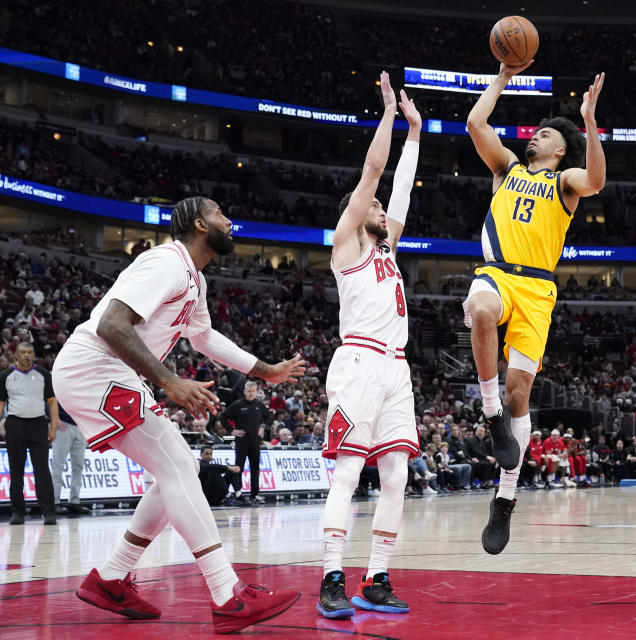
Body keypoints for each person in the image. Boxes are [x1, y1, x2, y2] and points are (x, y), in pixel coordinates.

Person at [51, 196, 304, 633]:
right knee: (176, 466)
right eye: (221, 213)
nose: (230, 219)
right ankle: (228, 595)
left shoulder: (195, 281)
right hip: (94, 366)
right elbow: (112, 325)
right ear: (199, 224)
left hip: (110, 372)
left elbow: (204, 338)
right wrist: (169, 381)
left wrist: (266, 370)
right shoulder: (166, 262)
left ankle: (111, 578)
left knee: (179, 467)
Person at [463, 60, 607, 555]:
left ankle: (505, 498)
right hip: (497, 274)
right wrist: (501, 77)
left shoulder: (565, 183)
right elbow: (476, 126)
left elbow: (597, 181)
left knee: (521, 395)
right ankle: (489, 414)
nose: (534, 138)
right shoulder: (505, 169)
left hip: (538, 292)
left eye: (543, 134)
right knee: (480, 311)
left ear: (560, 149)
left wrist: (589, 120)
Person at [317, 73, 420, 620]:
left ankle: (375, 577)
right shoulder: (348, 243)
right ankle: (331, 576)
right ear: (358, 216)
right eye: (375, 207)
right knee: (348, 473)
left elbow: (398, 187)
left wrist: (417, 135)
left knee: (397, 474)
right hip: (358, 360)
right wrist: (386, 112)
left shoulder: (388, 250)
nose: (384, 209)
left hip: (396, 369)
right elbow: (374, 174)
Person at [0, 341, 58, 525]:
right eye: (23, 352)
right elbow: (0, 404)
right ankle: (17, 512)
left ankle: (48, 512)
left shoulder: (43, 374)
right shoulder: (6, 376)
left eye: (30, 352)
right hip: (15, 425)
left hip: (38, 425)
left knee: (41, 469)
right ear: (16, 354)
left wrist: (53, 427)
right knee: (15, 470)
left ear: (34, 355)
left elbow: (52, 401)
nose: (26, 355)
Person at [219, 380, 269, 504]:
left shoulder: (259, 404)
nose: (251, 393)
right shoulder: (238, 404)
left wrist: (262, 427)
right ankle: (238, 493)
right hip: (241, 441)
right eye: (249, 391)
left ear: (256, 392)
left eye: (253, 391)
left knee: (255, 468)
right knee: (238, 468)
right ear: (244, 391)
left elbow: (267, 416)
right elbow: (223, 417)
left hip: (255, 441)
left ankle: (254, 494)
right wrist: (232, 430)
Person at [51, 406, 91, 514]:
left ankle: (74, 501)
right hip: (63, 425)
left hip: (80, 426)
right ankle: (54, 501)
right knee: (58, 465)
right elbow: (49, 400)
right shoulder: (57, 388)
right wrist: (55, 419)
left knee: (79, 466)